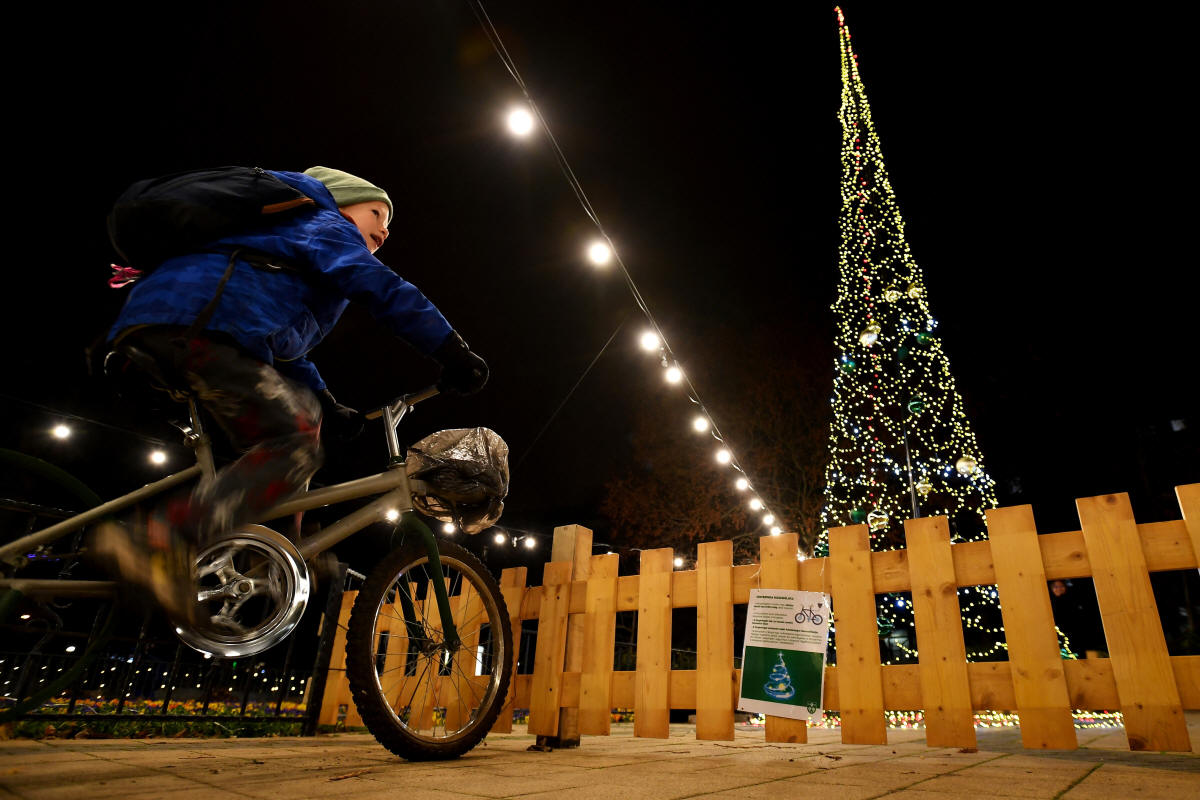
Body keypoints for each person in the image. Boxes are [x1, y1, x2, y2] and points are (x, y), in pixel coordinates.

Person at [93, 166, 488, 627]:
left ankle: (272, 552)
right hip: (197, 325)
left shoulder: (286, 248)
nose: (384, 231)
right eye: (377, 213)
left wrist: (327, 402)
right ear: (342, 203)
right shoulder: (322, 222)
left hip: (184, 325)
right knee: (293, 440)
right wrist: (451, 349)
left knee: (298, 424)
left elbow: (283, 351)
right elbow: (383, 289)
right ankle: (162, 542)